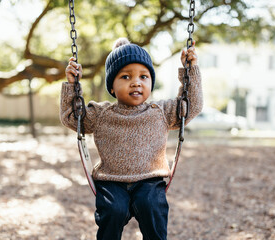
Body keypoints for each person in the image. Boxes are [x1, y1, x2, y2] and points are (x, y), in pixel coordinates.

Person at [60, 38, 203, 240]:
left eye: (144, 76)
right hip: (111, 182)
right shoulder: (101, 113)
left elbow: (192, 105)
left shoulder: (161, 111)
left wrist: (190, 72)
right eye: (126, 76)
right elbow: (72, 118)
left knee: (152, 208)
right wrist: (72, 86)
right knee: (113, 211)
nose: (136, 82)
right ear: (112, 87)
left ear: (151, 82)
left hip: (150, 181)